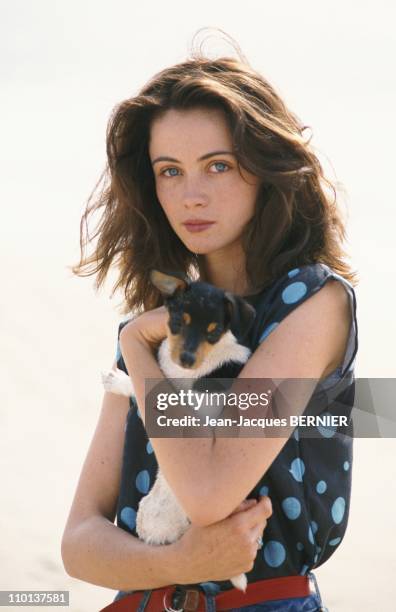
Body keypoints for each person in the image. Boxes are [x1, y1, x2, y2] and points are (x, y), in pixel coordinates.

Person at [61, 35, 358, 612]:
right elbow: (78, 543)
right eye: (169, 171)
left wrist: (136, 350)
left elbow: (207, 492)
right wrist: (177, 564)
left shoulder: (311, 304)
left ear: (264, 170)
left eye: (217, 166)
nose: (191, 195)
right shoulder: (149, 334)